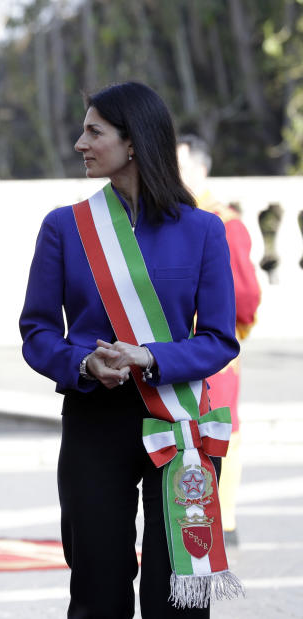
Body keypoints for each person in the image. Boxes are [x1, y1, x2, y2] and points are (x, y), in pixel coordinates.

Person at [20, 82, 241, 617]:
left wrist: (152, 357)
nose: (80, 143)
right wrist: (83, 362)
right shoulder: (64, 228)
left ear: (134, 142)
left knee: (180, 591)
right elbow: (37, 331)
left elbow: (219, 339)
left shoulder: (205, 231)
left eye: (94, 131)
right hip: (96, 421)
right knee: (97, 582)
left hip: (179, 420)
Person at [177, 134, 262, 548]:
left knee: (220, 430)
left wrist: (230, 333)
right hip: (173, 350)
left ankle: (223, 520)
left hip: (213, 349)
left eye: (180, 166)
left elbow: (245, 297)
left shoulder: (223, 221)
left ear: (201, 169)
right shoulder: (170, 215)